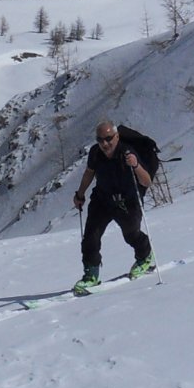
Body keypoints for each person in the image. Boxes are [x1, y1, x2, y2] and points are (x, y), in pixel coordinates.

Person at [71, 119, 155, 291]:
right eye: (100, 139)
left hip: (127, 201)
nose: (105, 143)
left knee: (131, 234)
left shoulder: (127, 153)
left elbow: (146, 182)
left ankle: (145, 256)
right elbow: (89, 173)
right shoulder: (95, 153)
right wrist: (80, 194)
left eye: (108, 138)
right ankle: (91, 274)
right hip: (102, 199)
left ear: (116, 136)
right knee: (91, 236)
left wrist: (136, 165)